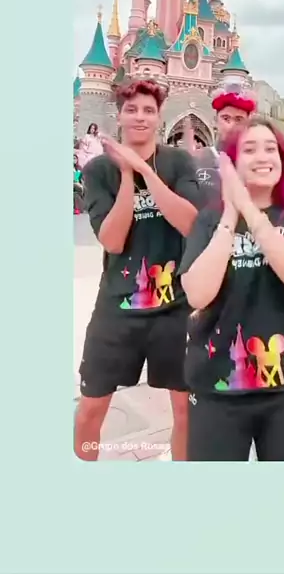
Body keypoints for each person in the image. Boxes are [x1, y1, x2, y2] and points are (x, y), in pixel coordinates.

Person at [178, 116, 284, 461]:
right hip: (217, 384)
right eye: (249, 149)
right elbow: (198, 294)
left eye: (270, 148)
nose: (263, 157)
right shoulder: (209, 220)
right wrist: (231, 215)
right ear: (231, 164)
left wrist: (249, 208)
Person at [74, 79, 203, 461]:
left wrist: (146, 171)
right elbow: (113, 241)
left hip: (175, 308)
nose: (140, 117)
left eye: (148, 110)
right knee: (91, 409)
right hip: (117, 308)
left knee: (186, 411)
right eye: (131, 109)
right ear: (119, 116)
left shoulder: (178, 163)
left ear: (160, 117)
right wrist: (128, 176)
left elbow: (190, 224)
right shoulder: (99, 171)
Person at [184, 81, 257, 204]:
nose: (231, 125)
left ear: (248, 123)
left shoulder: (256, 163)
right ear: (215, 121)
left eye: (239, 119)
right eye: (226, 118)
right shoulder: (195, 160)